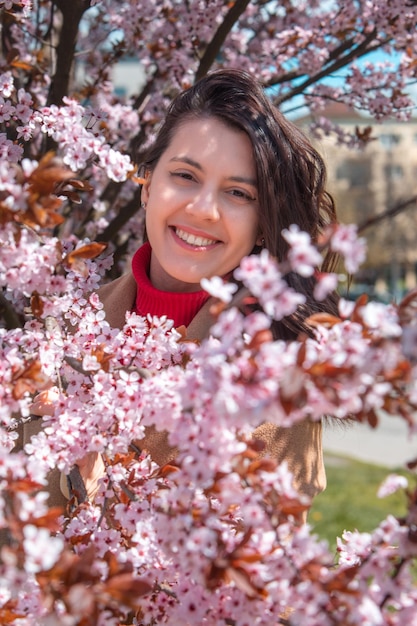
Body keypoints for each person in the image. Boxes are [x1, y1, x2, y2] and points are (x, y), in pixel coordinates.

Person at [26, 68, 339, 516]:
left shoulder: (273, 376)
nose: (202, 209)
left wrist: (96, 489)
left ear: (262, 225)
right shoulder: (64, 325)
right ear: (148, 185)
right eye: (185, 176)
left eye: (237, 193)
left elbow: (247, 574)